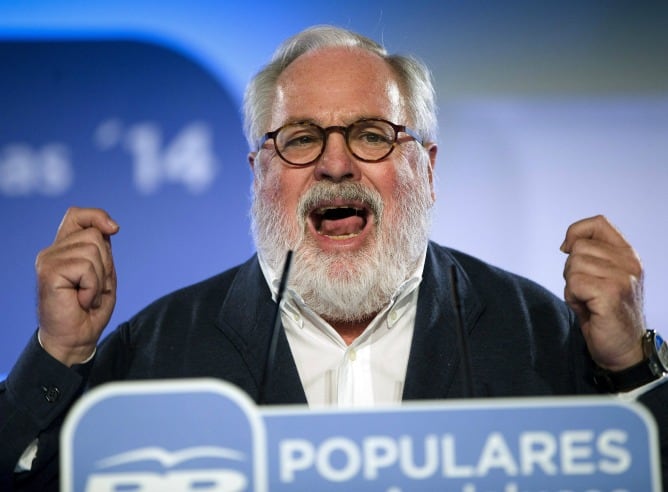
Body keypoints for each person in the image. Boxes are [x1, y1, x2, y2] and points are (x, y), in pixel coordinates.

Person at [1, 25, 666, 490]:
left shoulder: (537, 332)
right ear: (261, 172)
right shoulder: (157, 351)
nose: (336, 162)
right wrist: (58, 357)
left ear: (426, 171)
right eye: (301, 138)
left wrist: (630, 368)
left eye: (373, 134)